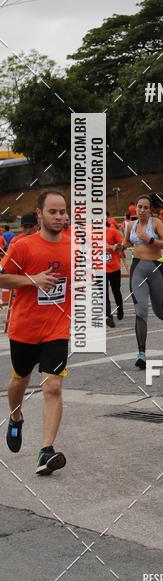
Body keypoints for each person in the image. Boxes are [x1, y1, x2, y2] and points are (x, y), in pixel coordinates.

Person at [2, 190, 71, 475]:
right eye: (53, 212)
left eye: (62, 212)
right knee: (19, 380)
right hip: (25, 328)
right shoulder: (23, 246)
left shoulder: (74, 246)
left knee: (53, 386)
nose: (59, 217)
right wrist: (33, 280)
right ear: (39, 214)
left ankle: (46, 451)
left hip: (57, 328)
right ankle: (16, 416)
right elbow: (2, 278)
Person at [123, 194, 163, 370]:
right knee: (141, 311)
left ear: (150, 209)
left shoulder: (156, 224)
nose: (142, 210)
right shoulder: (130, 225)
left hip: (156, 269)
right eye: (139, 207)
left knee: (158, 310)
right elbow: (126, 242)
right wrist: (119, 246)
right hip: (137, 269)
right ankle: (141, 353)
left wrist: (150, 239)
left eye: (145, 207)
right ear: (136, 208)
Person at [105, 219, 124, 328]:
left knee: (116, 291)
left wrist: (115, 246)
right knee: (104, 293)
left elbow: (122, 245)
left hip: (114, 267)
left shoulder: (113, 232)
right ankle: (108, 316)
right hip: (100, 269)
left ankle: (120, 309)